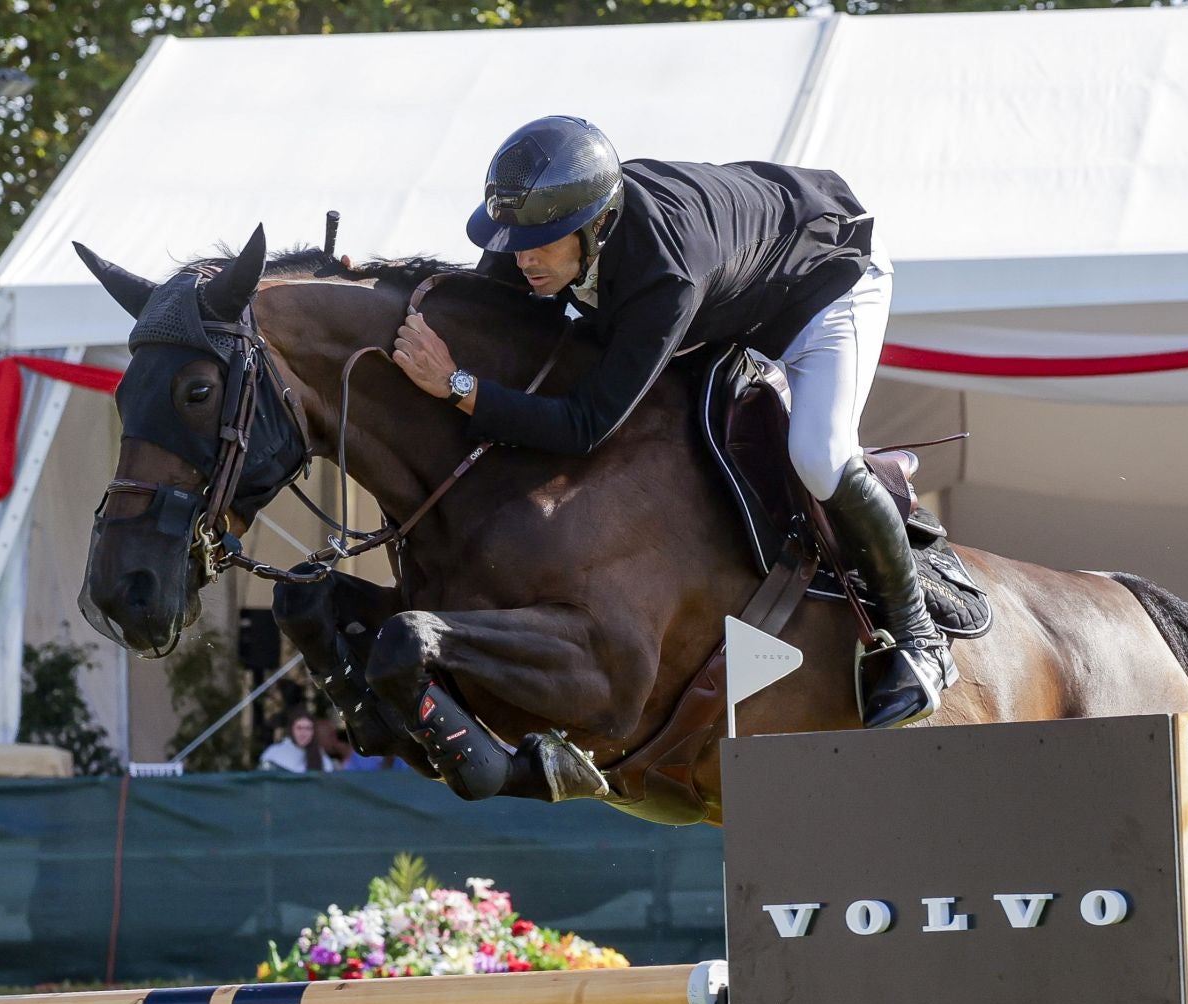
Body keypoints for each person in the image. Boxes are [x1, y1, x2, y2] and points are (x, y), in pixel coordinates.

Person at [389, 116, 954, 730]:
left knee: (818, 453)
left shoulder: (666, 274)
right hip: (742, 279)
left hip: (827, 283)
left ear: (596, 224)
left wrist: (458, 387)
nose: (523, 259)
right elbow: (482, 301)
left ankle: (917, 637)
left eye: (544, 242)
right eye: (517, 240)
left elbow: (585, 426)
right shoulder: (542, 229)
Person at [259, 710, 337, 774]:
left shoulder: (322, 758)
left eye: (308, 728)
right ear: (291, 730)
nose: (303, 733)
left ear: (313, 731)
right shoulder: (274, 753)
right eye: (299, 728)